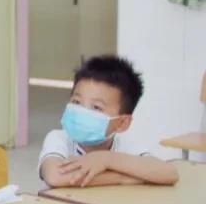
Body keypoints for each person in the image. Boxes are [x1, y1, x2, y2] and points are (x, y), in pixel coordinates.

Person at [38, 55, 178, 188]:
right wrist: (122, 178)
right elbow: (55, 177)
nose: (81, 111)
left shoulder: (125, 144)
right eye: (76, 101)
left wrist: (106, 159)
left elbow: (169, 173)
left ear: (122, 123)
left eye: (96, 107)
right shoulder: (59, 138)